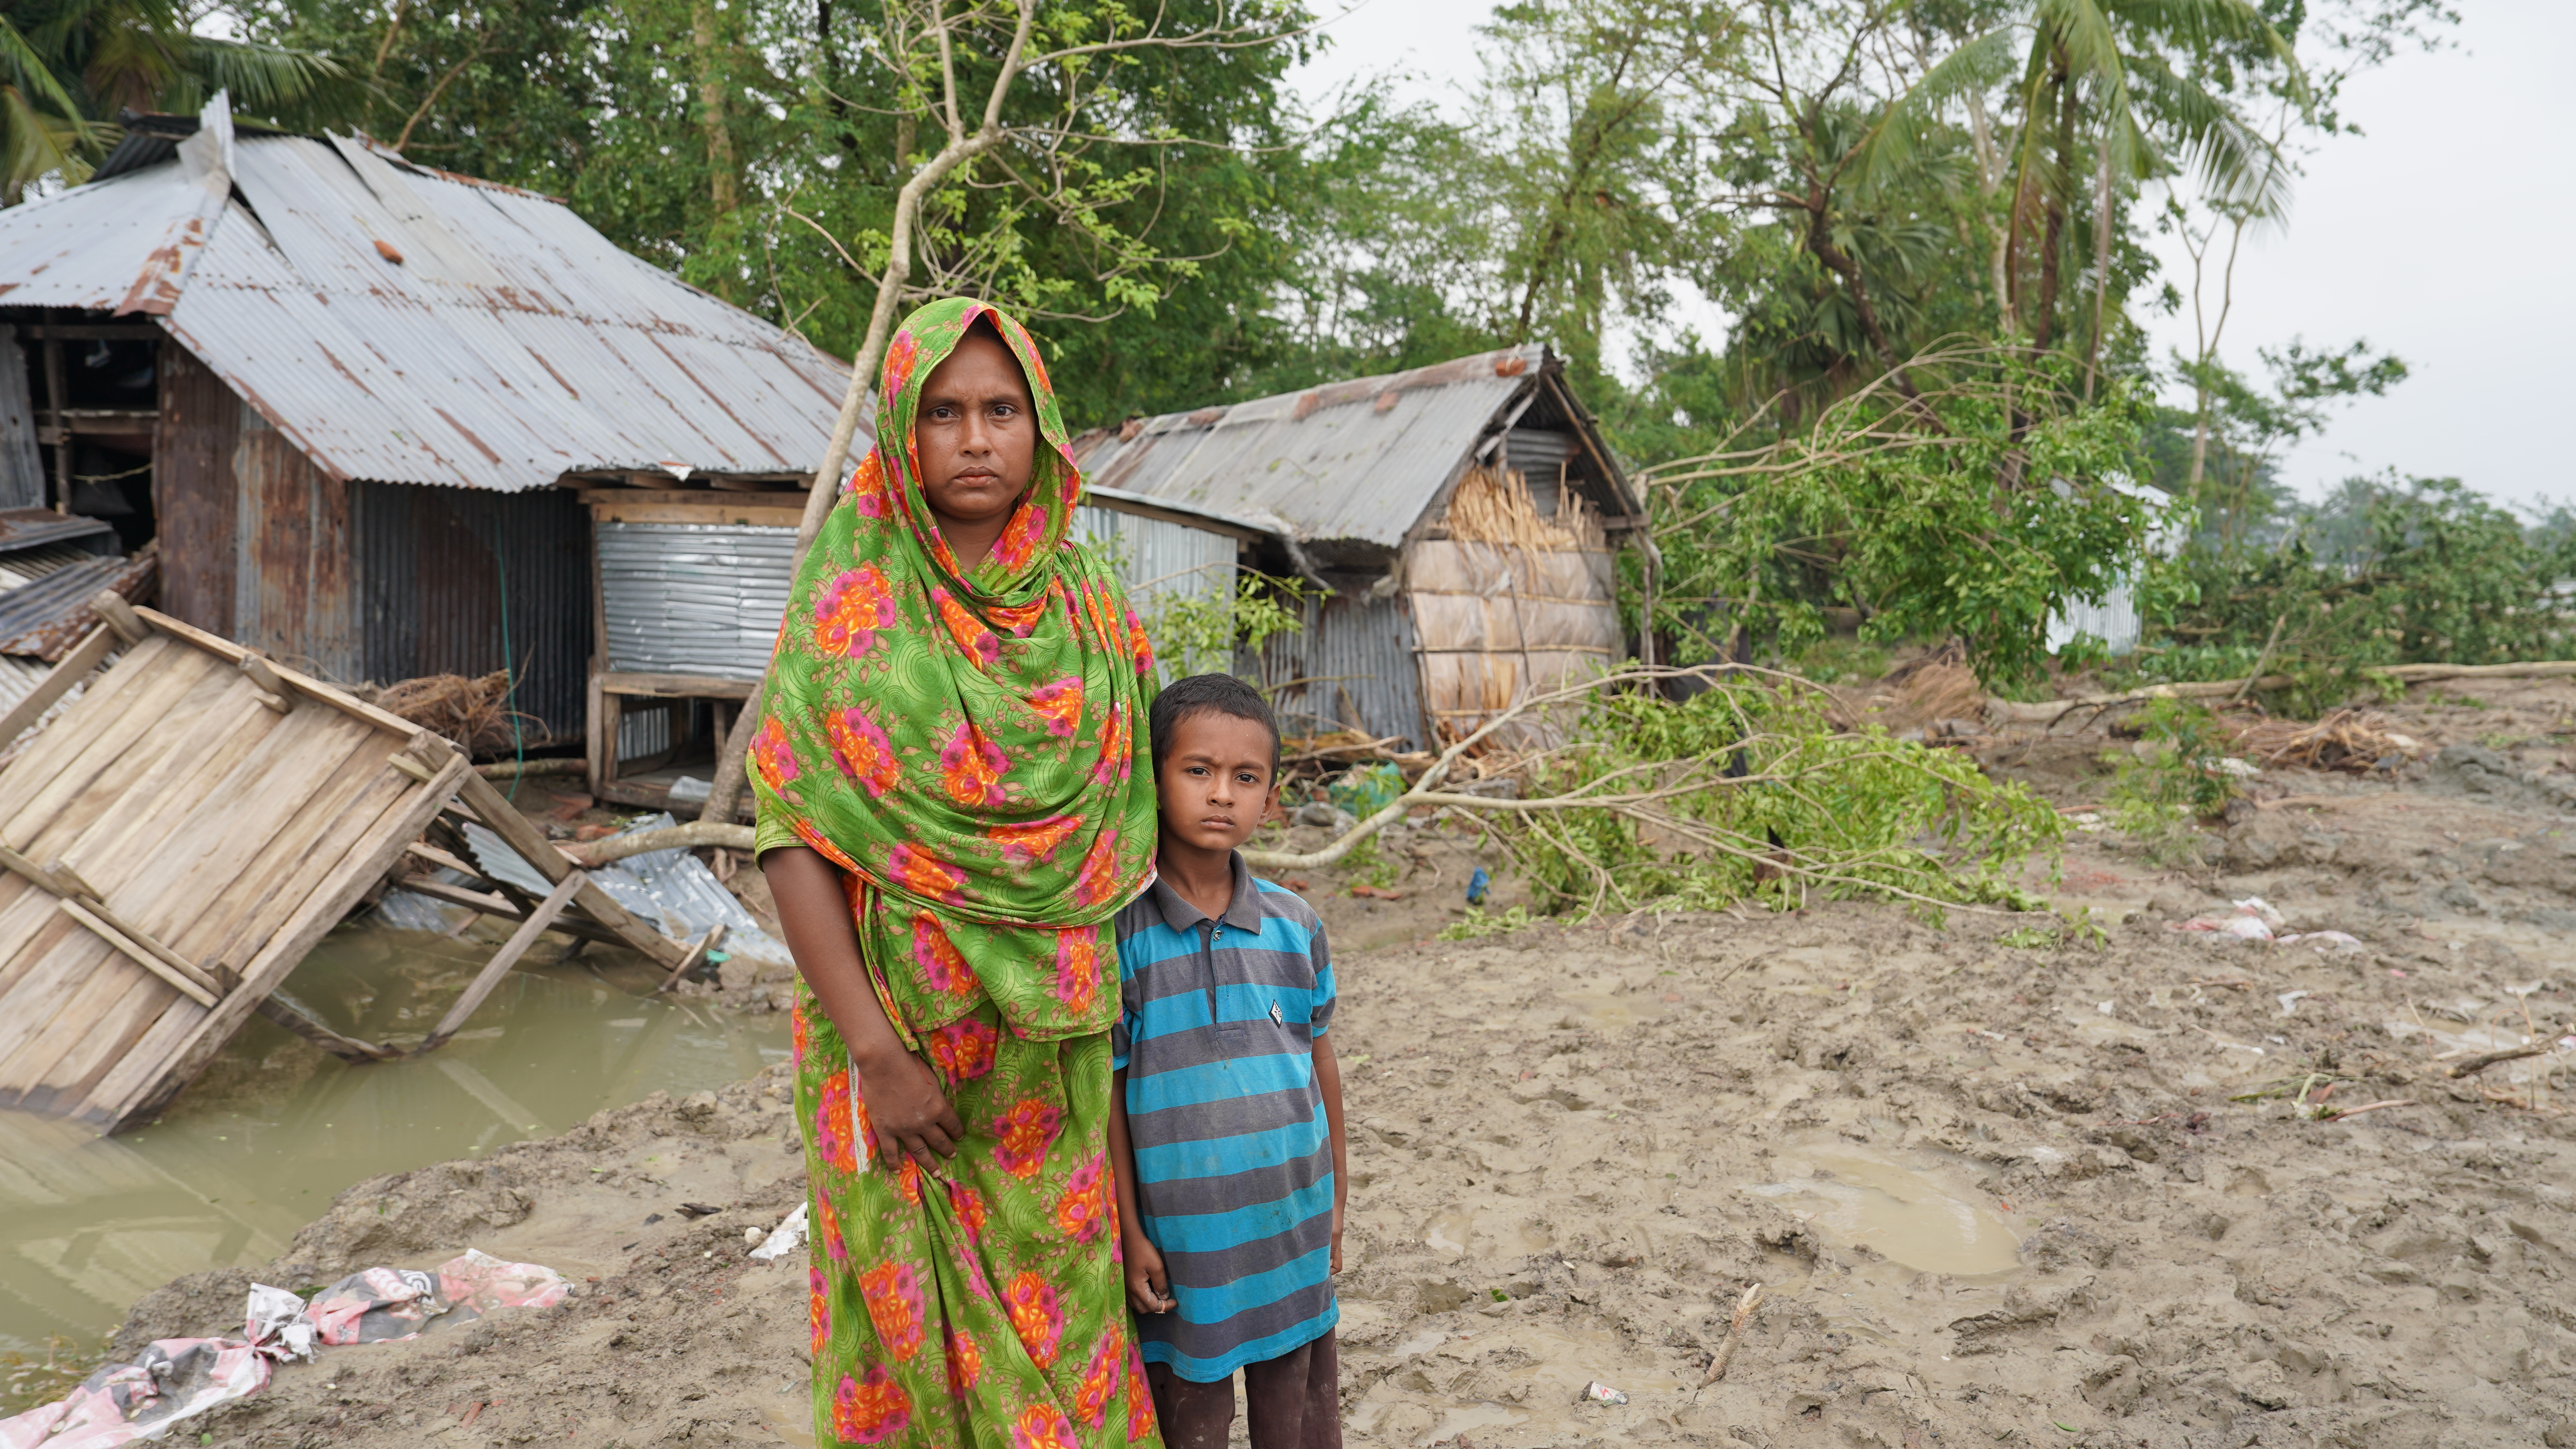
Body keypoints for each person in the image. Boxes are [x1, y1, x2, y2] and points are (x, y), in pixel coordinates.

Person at [750, 298, 1165, 1449]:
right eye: (944, 412)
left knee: (1066, 1338)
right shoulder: (850, 600)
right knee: (907, 1358)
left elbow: (1131, 825)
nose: (975, 438)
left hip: (1053, 1067)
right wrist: (879, 1056)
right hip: (893, 1078)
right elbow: (788, 832)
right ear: (901, 431)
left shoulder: (1090, 606)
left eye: (1001, 409)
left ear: (1045, 432)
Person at [1107, 674, 1348, 1449]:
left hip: (1291, 1225)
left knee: (1296, 1409)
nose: (1222, 795)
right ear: (1153, 779)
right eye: (1198, 771)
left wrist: (1336, 1200)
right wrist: (1130, 1229)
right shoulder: (1120, 935)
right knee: (1193, 1417)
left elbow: (1320, 1062)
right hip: (1184, 1247)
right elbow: (1109, 1093)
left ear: (1271, 799)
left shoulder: (1294, 923)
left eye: (1246, 779)